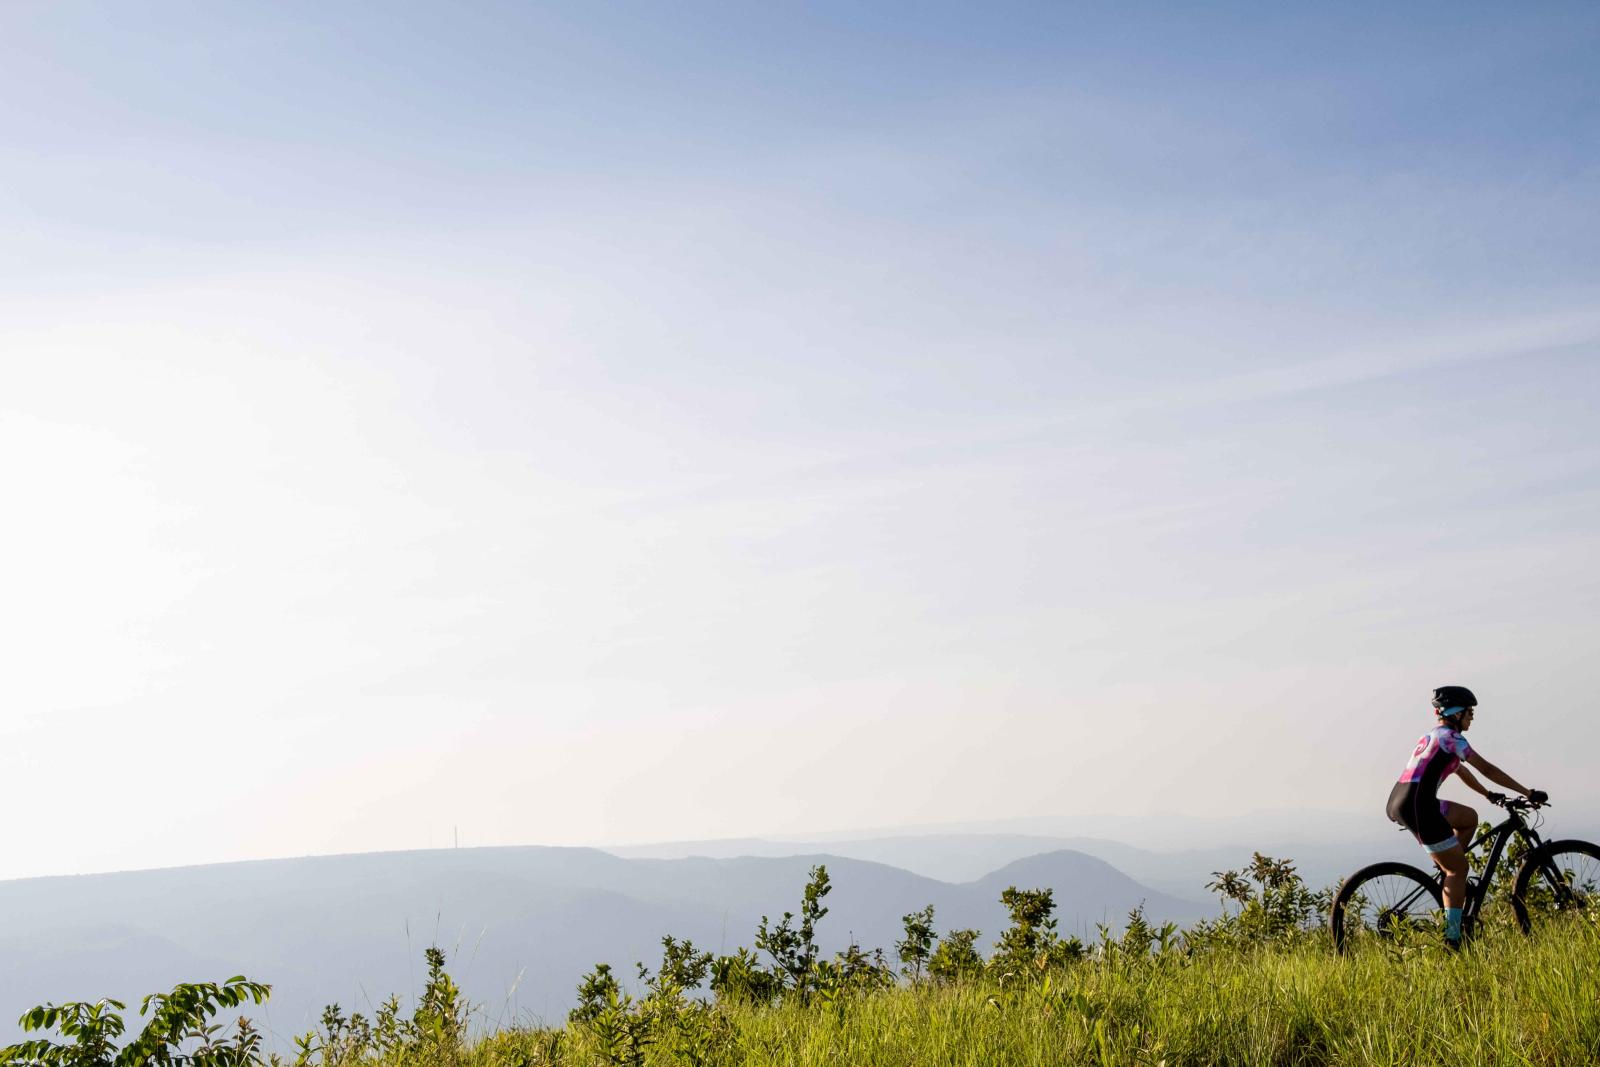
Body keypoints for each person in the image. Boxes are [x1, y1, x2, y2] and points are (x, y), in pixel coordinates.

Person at [1385, 685, 1546, 949]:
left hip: (1404, 801)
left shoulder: (1435, 736)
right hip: (1419, 806)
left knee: (1469, 817)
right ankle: (1453, 938)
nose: (1472, 716)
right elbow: (1486, 768)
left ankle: (1448, 874)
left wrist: (1488, 795)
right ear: (1456, 713)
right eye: (1469, 711)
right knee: (1458, 869)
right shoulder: (1452, 738)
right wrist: (1527, 792)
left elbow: (1459, 770)